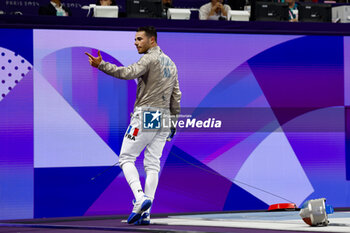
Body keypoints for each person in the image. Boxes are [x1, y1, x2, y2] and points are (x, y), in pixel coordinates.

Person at [85, 26, 181, 225]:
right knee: (153, 164)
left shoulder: (148, 58)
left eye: (139, 39)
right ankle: (146, 213)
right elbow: (176, 96)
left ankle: (140, 198)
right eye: (135, 40)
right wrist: (173, 122)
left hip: (147, 114)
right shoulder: (171, 63)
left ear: (152, 40)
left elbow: (128, 73)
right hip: (164, 117)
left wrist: (102, 65)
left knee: (126, 158)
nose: (136, 43)